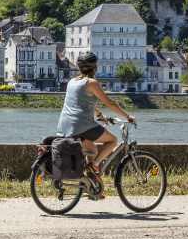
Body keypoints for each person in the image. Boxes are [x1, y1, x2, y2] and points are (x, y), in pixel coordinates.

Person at [56, 51, 135, 189]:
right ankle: (94, 165)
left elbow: (82, 103)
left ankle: (92, 187)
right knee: (112, 141)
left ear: (79, 67)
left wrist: (99, 115)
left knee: (91, 150)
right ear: (95, 67)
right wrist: (127, 117)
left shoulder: (72, 82)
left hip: (64, 125)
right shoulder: (91, 82)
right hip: (81, 125)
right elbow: (109, 103)